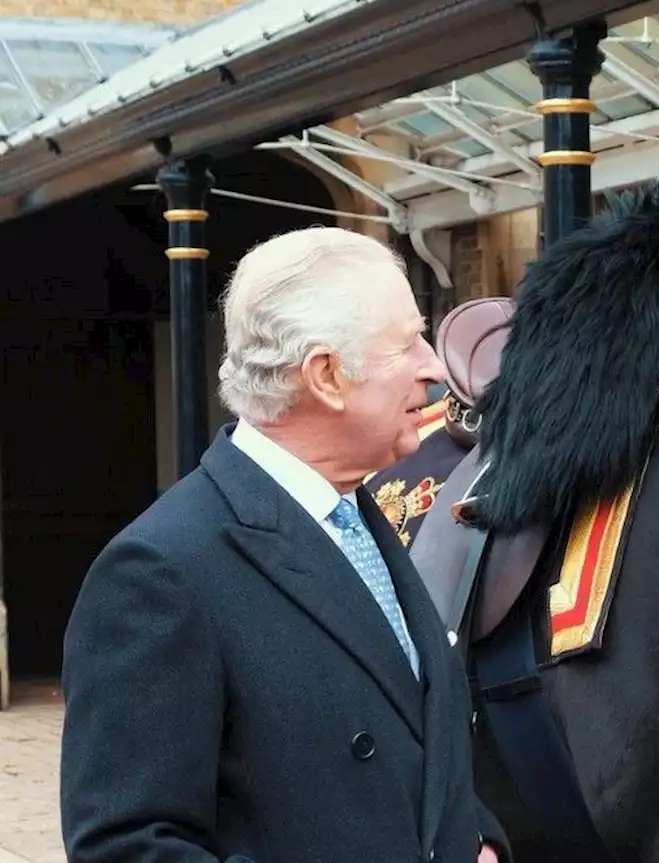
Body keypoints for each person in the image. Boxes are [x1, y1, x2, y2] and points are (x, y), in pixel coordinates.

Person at [60, 227, 508, 863]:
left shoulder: (362, 519)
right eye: (406, 344)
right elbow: (127, 847)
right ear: (325, 376)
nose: (435, 368)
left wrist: (478, 841)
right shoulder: (159, 573)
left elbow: (412, 740)